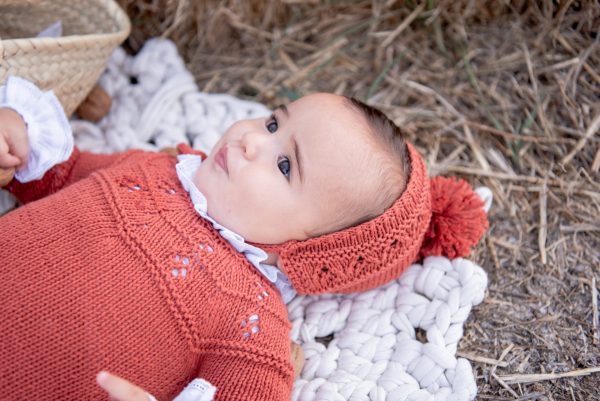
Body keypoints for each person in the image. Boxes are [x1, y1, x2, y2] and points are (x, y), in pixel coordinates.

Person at [0, 76, 488, 401]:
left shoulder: (251, 324)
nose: (252, 139)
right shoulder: (154, 166)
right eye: (274, 122)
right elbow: (60, 176)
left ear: (308, 248)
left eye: (283, 165)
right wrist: (18, 148)